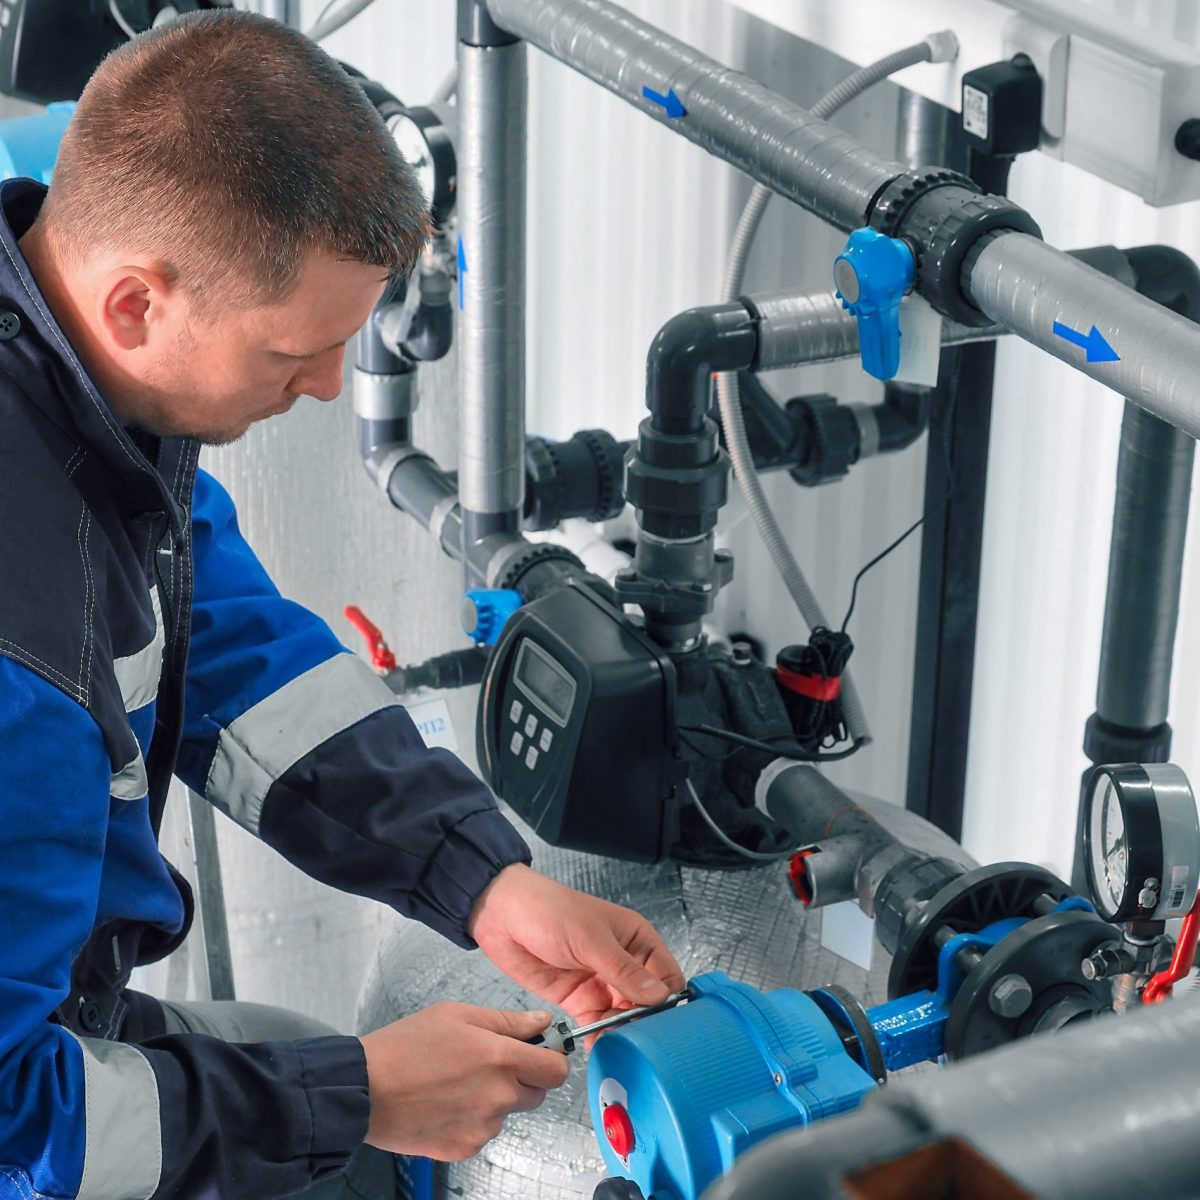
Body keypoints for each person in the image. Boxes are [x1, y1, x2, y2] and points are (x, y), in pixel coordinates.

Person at [0, 10, 685, 1200]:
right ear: (137, 304)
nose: (326, 386)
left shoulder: (76, 391)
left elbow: (230, 654)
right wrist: (365, 1093)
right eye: (288, 354)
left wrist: (481, 878)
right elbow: (13, 1125)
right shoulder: (15, 672)